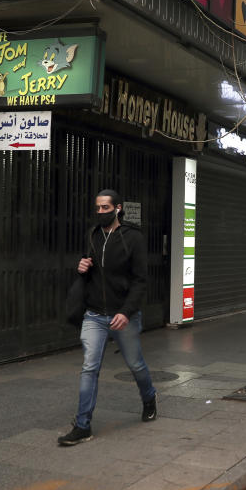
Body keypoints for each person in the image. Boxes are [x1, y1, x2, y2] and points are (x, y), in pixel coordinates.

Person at [58, 189, 158, 446]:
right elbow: (88, 269)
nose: (101, 212)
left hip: (123, 314)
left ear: (118, 208)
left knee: (135, 365)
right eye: (98, 208)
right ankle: (82, 425)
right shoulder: (92, 235)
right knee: (89, 368)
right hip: (94, 314)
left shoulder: (133, 238)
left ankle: (149, 397)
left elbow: (140, 280)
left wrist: (126, 312)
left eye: (106, 207)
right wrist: (80, 267)